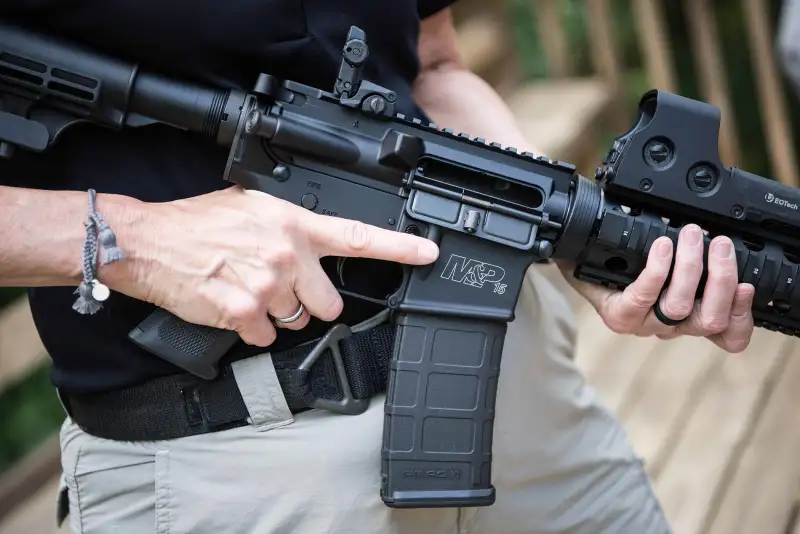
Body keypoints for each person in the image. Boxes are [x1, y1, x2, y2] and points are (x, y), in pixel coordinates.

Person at [0, 1, 755, 533]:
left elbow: (434, 64)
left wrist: (579, 232)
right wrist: (128, 237)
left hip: (511, 389)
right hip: (243, 459)